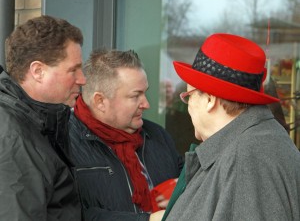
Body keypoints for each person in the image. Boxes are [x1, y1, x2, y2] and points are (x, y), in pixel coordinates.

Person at [161, 33, 300, 221]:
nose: (189, 108)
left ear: (210, 100)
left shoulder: (246, 161)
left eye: (189, 97)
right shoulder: (256, 142)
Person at [68, 49, 183, 221]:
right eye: (135, 96)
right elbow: (69, 215)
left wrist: (182, 189)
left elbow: (193, 181)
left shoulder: (158, 135)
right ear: (100, 101)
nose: (146, 104)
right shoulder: (62, 142)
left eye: (145, 92)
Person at [0, 15, 86, 221]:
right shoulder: (14, 138)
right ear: (38, 71)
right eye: (73, 70)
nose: (82, 79)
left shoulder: (38, 123)